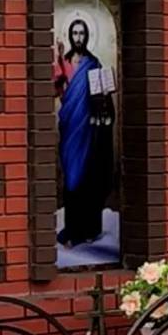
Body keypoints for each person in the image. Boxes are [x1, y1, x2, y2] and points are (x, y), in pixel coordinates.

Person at [53, 17, 117, 248]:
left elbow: (103, 96)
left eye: (82, 33)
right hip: (71, 127)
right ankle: (72, 229)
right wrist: (58, 59)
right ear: (70, 36)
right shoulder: (65, 61)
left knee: (89, 177)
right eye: (75, 33)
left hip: (89, 129)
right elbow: (57, 89)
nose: (78, 38)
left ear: (87, 36)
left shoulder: (93, 63)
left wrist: (104, 97)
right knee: (72, 178)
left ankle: (90, 228)